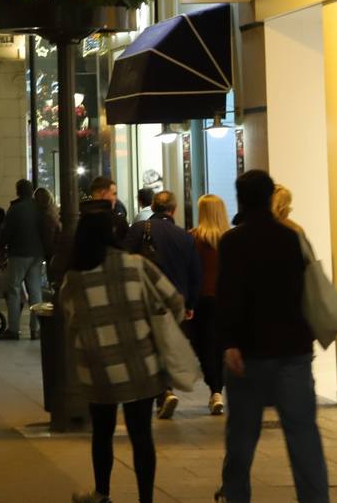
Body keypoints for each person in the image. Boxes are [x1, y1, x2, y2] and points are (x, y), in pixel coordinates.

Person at [217, 170, 329, 503]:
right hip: (294, 349)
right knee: (303, 435)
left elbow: (229, 295)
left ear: (240, 199)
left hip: (250, 351)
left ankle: (236, 496)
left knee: (241, 435)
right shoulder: (291, 238)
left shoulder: (233, 241)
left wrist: (229, 342)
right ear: (269, 198)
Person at [62, 203, 183, 503]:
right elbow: (174, 301)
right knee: (141, 436)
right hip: (140, 364)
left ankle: (102, 493)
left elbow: (70, 318)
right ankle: (145, 499)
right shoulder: (136, 265)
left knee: (102, 433)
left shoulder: (74, 278)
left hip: (98, 368)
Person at [124, 190, 202, 419]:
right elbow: (195, 274)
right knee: (167, 344)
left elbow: (123, 261)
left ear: (153, 207)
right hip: (175, 300)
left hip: (145, 298)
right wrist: (190, 304)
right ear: (174, 210)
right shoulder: (185, 237)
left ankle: (161, 392)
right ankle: (165, 390)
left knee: (149, 346)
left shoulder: (138, 229)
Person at [190, 194, 229, 416]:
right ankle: (218, 389)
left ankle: (214, 389)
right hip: (224, 300)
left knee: (204, 347)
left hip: (201, 299)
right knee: (221, 346)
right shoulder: (229, 239)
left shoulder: (192, 238)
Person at [0, 179, 48, 341]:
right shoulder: (39, 208)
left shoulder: (15, 209)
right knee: (35, 291)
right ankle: (36, 329)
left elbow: (6, 232)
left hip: (18, 253)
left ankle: (13, 329)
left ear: (18, 191)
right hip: (37, 253)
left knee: (14, 290)